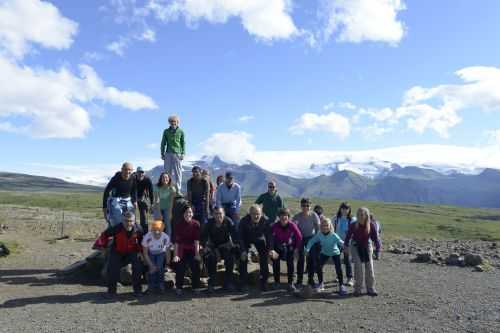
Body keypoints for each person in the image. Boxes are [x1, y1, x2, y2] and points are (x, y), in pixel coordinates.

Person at [102, 211, 143, 298]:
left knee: (138, 266)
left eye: (131, 221)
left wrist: (141, 252)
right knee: (112, 267)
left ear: (134, 221)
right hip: (117, 250)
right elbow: (104, 235)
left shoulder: (139, 229)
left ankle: (138, 290)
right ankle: (111, 291)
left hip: (132, 250)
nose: (128, 223)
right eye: (126, 221)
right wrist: (103, 248)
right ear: (122, 221)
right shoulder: (116, 228)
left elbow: (142, 241)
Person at [344, 207, 381, 296]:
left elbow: (375, 239)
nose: (359, 216)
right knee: (358, 267)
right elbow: (348, 236)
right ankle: (358, 289)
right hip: (355, 246)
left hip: (367, 245)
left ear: (366, 216)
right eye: (358, 214)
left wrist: (377, 250)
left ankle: (370, 288)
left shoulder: (371, 225)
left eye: (361, 214)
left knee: (369, 267)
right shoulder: (353, 225)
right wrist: (345, 246)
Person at [306, 217, 347, 295]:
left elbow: (341, 242)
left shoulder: (334, 235)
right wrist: (307, 249)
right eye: (323, 225)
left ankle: (341, 285)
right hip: (324, 253)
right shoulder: (319, 234)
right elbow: (311, 241)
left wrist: (346, 246)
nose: (325, 227)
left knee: (338, 268)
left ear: (330, 226)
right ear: (321, 226)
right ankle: (321, 284)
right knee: (318, 267)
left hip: (335, 253)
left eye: (327, 225)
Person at [201, 207, 238, 293]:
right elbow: (203, 237)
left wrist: (235, 244)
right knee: (210, 258)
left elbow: (235, 235)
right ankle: (212, 283)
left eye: (220, 213)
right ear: (213, 214)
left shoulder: (228, 221)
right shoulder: (209, 223)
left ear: (224, 214)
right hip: (212, 246)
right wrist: (205, 246)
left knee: (230, 258)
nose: (218, 216)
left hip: (225, 246)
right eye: (216, 213)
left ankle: (228, 283)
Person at [238, 204, 272, 291]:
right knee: (243, 258)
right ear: (250, 214)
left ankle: (264, 281)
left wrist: (270, 250)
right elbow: (240, 237)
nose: (256, 216)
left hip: (259, 239)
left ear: (261, 213)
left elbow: (269, 237)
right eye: (253, 214)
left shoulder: (265, 221)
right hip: (246, 239)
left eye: (258, 214)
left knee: (264, 256)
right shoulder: (243, 221)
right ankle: (243, 282)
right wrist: (243, 250)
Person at [269, 208, 302, 292]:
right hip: (278, 247)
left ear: (288, 217)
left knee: (290, 264)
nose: (284, 218)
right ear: (279, 217)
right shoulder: (274, 226)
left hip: (289, 247)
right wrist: (272, 250)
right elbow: (271, 239)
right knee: (276, 263)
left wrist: (296, 249)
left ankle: (290, 283)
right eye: (281, 216)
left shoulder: (292, 225)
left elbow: (299, 237)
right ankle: (277, 282)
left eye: (286, 216)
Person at [172, 206, 201, 296]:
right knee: (180, 266)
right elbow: (176, 242)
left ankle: (195, 287)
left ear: (192, 213)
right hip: (182, 249)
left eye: (190, 212)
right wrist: (175, 255)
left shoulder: (196, 224)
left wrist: (197, 254)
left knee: (195, 264)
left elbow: (196, 240)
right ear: (183, 214)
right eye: (186, 212)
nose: (188, 214)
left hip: (192, 248)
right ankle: (179, 287)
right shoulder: (178, 225)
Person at [293, 198, 320, 288]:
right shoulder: (297, 216)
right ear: (301, 206)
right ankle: (299, 281)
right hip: (300, 238)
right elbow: (293, 228)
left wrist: (317, 240)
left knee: (311, 259)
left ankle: (310, 280)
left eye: (307, 205)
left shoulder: (314, 215)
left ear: (310, 206)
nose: (305, 207)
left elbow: (317, 228)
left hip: (311, 238)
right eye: (304, 205)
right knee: (301, 259)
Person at [102, 162, 137, 227]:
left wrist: (134, 201)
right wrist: (104, 207)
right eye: (125, 169)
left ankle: (128, 234)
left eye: (129, 170)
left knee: (130, 218)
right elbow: (107, 191)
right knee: (117, 218)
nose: (127, 171)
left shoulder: (133, 178)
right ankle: (114, 233)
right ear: (122, 169)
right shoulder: (116, 178)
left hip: (127, 199)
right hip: (116, 199)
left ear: (132, 171)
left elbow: (134, 191)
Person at [142, 220, 171, 295]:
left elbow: (168, 251)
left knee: (159, 267)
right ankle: (151, 286)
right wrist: (150, 264)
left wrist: (167, 263)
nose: (157, 232)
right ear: (152, 230)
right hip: (150, 253)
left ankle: (160, 285)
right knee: (152, 269)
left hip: (161, 252)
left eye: (159, 230)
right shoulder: (147, 237)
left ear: (162, 230)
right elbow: (145, 253)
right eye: (155, 230)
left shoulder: (165, 237)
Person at [160, 115, 185, 192]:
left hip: (177, 153)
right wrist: (162, 153)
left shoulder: (181, 131)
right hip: (168, 153)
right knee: (167, 172)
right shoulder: (166, 131)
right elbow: (163, 143)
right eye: (171, 122)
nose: (173, 124)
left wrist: (183, 153)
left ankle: (178, 190)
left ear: (177, 122)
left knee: (178, 172)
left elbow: (183, 143)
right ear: (169, 123)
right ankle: (168, 188)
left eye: (174, 122)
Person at [334, 202, 356, 286]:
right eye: (343, 208)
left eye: (346, 208)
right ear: (340, 209)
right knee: (337, 260)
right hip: (337, 241)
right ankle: (338, 276)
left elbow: (354, 232)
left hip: (348, 242)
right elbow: (332, 229)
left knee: (347, 260)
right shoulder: (335, 218)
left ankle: (350, 278)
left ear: (349, 210)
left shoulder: (353, 219)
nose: (344, 210)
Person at [153, 172, 177, 237]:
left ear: (169, 179)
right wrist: (159, 213)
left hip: (168, 208)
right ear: (160, 179)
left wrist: (170, 212)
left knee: (167, 224)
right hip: (158, 207)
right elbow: (156, 200)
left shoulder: (172, 188)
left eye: (166, 177)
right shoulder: (156, 187)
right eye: (163, 177)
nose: (165, 179)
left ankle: (167, 241)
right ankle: (158, 239)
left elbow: (172, 201)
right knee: (158, 224)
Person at [135, 166, 154, 233]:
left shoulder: (147, 180)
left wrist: (152, 204)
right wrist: (135, 200)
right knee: (131, 216)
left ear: (144, 173)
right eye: (139, 172)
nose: (140, 174)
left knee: (143, 216)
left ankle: (145, 233)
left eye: (142, 172)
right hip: (134, 197)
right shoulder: (133, 178)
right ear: (136, 173)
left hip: (143, 198)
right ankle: (134, 232)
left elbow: (151, 192)